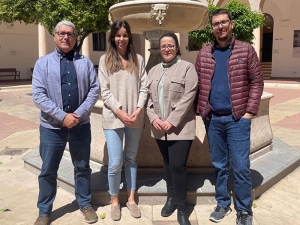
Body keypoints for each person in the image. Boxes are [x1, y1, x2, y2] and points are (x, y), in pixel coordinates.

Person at [195, 8, 264, 225]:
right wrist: (202, 111)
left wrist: (248, 112)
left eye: (224, 22)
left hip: (237, 119)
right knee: (219, 165)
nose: (220, 27)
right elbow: (197, 85)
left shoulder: (246, 50)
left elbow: (257, 82)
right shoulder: (204, 53)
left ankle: (244, 210)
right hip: (213, 119)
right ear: (212, 28)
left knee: (241, 166)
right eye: (216, 24)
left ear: (231, 24)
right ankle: (222, 203)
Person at [32, 20, 100, 225]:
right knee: (48, 170)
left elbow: (94, 90)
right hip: (52, 128)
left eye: (70, 34)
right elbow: (38, 95)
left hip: (80, 126)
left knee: (82, 167)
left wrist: (77, 114)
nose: (66, 37)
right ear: (54, 36)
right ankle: (44, 211)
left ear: (75, 38)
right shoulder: (42, 63)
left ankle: (85, 204)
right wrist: (62, 116)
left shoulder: (85, 62)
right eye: (61, 33)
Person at [98, 20, 148, 221]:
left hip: (135, 118)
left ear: (129, 37)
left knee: (132, 159)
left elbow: (144, 87)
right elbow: (105, 90)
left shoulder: (139, 59)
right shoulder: (105, 60)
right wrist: (120, 112)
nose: (121, 38)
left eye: (125, 35)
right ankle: (115, 201)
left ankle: (131, 199)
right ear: (112, 37)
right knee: (115, 163)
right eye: (118, 35)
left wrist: (138, 109)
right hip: (113, 118)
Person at [146, 32, 198, 225]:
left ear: (177, 47)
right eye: (163, 46)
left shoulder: (187, 68)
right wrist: (153, 119)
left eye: (170, 45)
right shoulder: (153, 71)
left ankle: (182, 208)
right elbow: (148, 100)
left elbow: (188, 97)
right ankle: (170, 199)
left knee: (178, 166)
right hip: (160, 128)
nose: (166, 49)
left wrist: (172, 121)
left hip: (180, 128)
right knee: (167, 163)